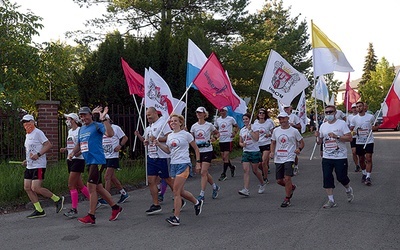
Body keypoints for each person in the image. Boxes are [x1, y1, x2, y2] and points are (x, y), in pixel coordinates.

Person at [70, 106, 123, 224]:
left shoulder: (97, 126)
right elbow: (79, 144)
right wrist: (72, 153)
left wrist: (104, 119)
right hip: (89, 161)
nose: (83, 118)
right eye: (81, 116)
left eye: (85, 115)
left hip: (97, 160)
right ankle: (116, 208)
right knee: (99, 187)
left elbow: (110, 133)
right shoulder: (82, 129)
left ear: (90, 115)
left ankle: (91, 215)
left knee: (91, 187)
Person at [155, 114, 204, 226]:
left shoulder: (186, 135)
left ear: (180, 122)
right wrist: (158, 145)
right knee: (180, 191)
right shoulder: (170, 136)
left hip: (184, 164)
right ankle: (197, 202)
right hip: (173, 165)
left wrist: (198, 163)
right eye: (171, 121)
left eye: (175, 121)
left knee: (176, 191)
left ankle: (176, 217)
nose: (173, 123)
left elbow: (196, 148)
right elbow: (168, 151)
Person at [21, 114, 64, 219]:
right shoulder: (28, 134)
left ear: (32, 122)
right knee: (27, 187)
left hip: (39, 165)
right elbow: (31, 150)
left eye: (27, 122)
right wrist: (27, 160)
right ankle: (39, 210)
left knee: (36, 188)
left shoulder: (38, 132)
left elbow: (48, 145)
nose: (25, 124)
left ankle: (57, 199)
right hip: (30, 166)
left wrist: (39, 155)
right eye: (23, 122)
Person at [134, 107, 174, 215]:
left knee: (168, 180)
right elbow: (146, 140)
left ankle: (180, 197)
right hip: (151, 157)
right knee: (151, 181)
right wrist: (144, 140)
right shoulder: (148, 128)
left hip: (162, 157)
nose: (148, 117)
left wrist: (157, 139)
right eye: (147, 115)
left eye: (149, 115)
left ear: (156, 113)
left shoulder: (163, 123)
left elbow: (169, 136)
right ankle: (156, 204)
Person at [315, 105, 354, 208]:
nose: (328, 114)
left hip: (340, 156)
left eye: (330, 112)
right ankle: (331, 200)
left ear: (335, 112)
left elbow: (350, 138)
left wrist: (337, 136)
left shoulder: (342, 124)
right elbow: (320, 142)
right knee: (327, 177)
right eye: (326, 112)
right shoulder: (323, 125)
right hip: (327, 156)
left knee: (341, 177)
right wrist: (317, 137)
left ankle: (348, 189)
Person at [270, 112, 304, 207]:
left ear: (288, 119)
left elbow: (302, 143)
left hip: (289, 157)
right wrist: (272, 152)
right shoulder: (276, 131)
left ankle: (287, 199)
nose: (282, 121)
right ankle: (291, 187)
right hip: (278, 158)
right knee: (279, 181)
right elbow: (273, 142)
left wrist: (299, 149)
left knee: (287, 178)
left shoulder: (294, 131)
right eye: (280, 119)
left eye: (283, 118)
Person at [60, 113, 90, 218]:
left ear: (73, 120)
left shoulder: (80, 130)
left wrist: (78, 152)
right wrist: (66, 149)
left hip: (78, 160)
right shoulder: (70, 131)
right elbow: (72, 144)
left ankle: (74, 209)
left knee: (71, 185)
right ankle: (94, 200)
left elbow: (83, 144)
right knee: (79, 185)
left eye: (68, 119)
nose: (67, 121)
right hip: (70, 159)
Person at [98, 114, 129, 205]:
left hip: (113, 156)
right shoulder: (102, 129)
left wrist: (120, 146)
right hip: (104, 156)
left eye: (105, 120)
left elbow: (125, 138)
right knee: (112, 177)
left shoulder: (116, 128)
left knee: (107, 177)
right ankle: (123, 193)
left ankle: (106, 197)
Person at [190, 106, 220, 200]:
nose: (198, 114)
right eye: (197, 112)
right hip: (198, 151)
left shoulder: (209, 125)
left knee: (203, 172)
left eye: (200, 112)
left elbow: (217, 133)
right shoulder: (194, 126)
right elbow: (191, 139)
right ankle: (215, 187)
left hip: (207, 150)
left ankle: (202, 194)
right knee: (203, 172)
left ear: (204, 114)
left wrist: (214, 139)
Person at [350, 102, 379, 186]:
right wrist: (352, 132)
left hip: (369, 141)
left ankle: (368, 177)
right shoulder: (354, 119)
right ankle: (364, 173)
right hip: (359, 142)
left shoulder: (370, 117)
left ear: (364, 107)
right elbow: (350, 129)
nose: (358, 108)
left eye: (360, 106)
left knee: (368, 158)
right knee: (361, 159)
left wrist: (375, 128)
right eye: (357, 107)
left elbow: (377, 125)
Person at [238, 113, 265, 196]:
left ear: (250, 119)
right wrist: (242, 145)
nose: (245, 120)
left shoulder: (255, 127)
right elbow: (240, 142)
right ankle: (246, 189)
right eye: (244, 119)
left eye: (246, 119)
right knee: (246, 170)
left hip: (255, 151)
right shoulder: (242, 130)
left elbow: (256, 138)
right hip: (246, 152)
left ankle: (262, 183)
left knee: (255, 170)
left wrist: (250, 131)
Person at [214, 106, 238, 181]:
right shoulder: (217, 120)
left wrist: (234, 132)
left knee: (225, 157)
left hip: (228, 140)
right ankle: (232, 167)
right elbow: (215, 129)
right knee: (224, 158)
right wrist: (215, 135)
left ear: (226, 111)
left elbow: (236, 126)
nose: (222, 112)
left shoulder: (230, 119)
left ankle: (223, 174)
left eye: (223, 111)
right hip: (221, 140)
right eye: (220, 111)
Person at [253, 108, 275, 183]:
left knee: (263, 162)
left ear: (265, 115)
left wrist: (269, 135)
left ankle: (265, 178)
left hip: (266, 143)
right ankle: (264, 171)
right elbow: (252, 133)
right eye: (260, 113)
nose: (261, 114)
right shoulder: (255, 124)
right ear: (258, 114)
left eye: (263, 113)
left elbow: (274, 134)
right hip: (257, 145)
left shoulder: (268, 123)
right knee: (259, 164)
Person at [284, 105, 301, 175]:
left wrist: (293, 125)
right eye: (285, 108)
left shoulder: (294, 116)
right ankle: (286, 165)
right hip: (284, 137)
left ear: (291, 108)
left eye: (287, 108)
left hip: (293, 136)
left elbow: (299, 126)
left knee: (294, 151)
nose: (286, 109)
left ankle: (296, 165)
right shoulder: (282, 116)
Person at [346, 103, 360, 172]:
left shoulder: (360, 116)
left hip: (360, 137)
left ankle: (362, 163)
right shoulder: (349, 117)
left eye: (355, 107)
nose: (354, 109)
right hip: (353, 136)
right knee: (354, 152)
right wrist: (350, 131)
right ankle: (357, 165)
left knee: (360, 152)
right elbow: (347, 126)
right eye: (353, 108)